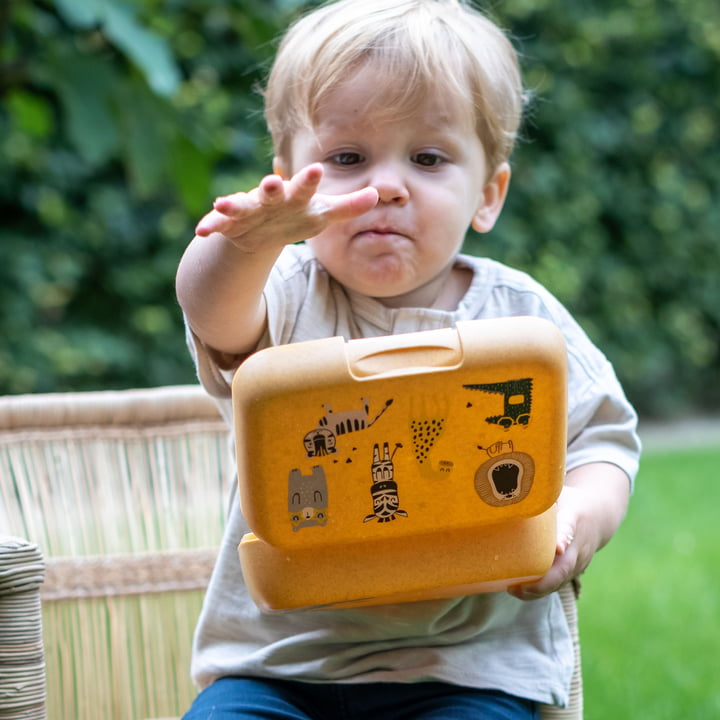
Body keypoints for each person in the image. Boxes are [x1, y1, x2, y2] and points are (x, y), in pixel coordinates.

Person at [176, 1, 641, 717]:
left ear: (488, 193)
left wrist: (577, 517)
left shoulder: (521, 315)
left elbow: (605, 440)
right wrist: (244, 243)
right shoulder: (288, 293)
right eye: (347, 158)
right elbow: (212, 311)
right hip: (277, 667)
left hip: (466, 669)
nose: (387, 185)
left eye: (427, 158)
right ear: (291, 177)